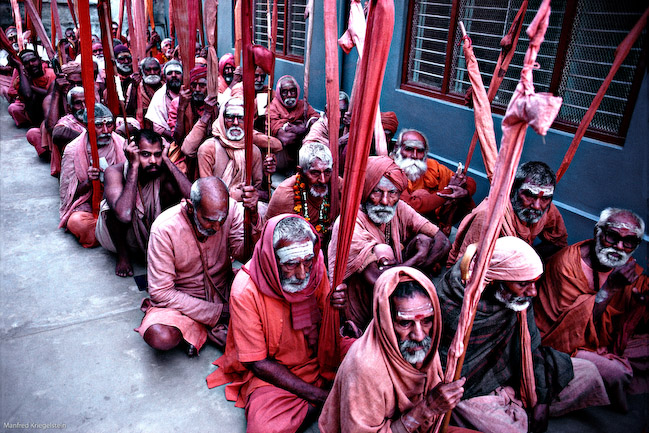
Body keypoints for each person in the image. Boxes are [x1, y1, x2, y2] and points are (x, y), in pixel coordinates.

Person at [438, 236, 609, 433]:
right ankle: (511, 408)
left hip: (512, 370)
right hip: (472, 388)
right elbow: (444, 373)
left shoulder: (516, 300)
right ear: (493, 280)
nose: (533, 292)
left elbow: (531, 348)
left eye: (534, 282)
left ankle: (516, 406)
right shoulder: (452, 306)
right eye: (523, 284)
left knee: (589, 373)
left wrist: (541, 399)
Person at [206, 215, 346, 432]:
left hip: (320, 354)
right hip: (275, 373)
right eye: (290, 264)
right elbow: (258, 363)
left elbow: (328, 328)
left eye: (307, 261)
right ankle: (321, 401)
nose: (302, 274)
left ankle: (314, 404)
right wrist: (320, 396)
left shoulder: (315, 266)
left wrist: (336, 307)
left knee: (372, 361)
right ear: (272, 259)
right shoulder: (245, 290)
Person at [319, 266, 474, 433]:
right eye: (405, 323)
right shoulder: (364, 367)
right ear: (385, 321)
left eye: (427, 320)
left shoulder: (423, 344)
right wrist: (427, 408)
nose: (419, 335)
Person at [535, 208, 648, 412]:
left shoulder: (626, 266)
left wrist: (640, 304)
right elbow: (563, 331)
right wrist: (609, 289)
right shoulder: (567, 265)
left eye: (629, 242)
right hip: (566, 342)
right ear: (598, 232)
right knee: (618, 373)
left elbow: (638, 296)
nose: (619, 247)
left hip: (605, 339)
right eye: (612, 237)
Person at [135, 176, 261, 355]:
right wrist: (217, 313)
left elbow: (246, 256)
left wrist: (253, 217)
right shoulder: (164, 228)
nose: (216, 228)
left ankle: (201, 331)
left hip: (224, 290)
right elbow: (161, 292)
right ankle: (210, 329)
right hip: (183, 302)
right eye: (209, 220)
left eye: (222, 220)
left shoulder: (231, 209)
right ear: (190, 207)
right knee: (160, 336)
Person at [328, 155, 451, 331]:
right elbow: (377, 279)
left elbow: (443, 242)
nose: (385, 201)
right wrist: (417, 260)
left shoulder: (398, 207)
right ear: (365, 191)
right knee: (383, 250)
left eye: (392, 193)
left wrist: (408, 265)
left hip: (393, 287)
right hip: (362, 303)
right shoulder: (350, 222)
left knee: (423, 240)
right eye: (377, 192)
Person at [96, 129, 192, 277]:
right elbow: (124, 215)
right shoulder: (114, 172)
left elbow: (194, 198)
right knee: (110, 209)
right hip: (123, 236)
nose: (153, 161)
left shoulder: (161, 169)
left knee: (173, 190)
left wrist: (167, 160)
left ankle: (162, 246)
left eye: (157, 154)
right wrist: (134, 166)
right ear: (133, 153)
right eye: (145, 154)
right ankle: (123, 256)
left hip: (152, 230)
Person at [448, 161, 568, 266]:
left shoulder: (547, 209)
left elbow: (558, 242)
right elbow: (465, 263)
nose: (536, 205)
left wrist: (524, 259)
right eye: (529, 195)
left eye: (545, 198)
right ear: (513, 190)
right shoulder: (488, 215)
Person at [58, 104, 126, 247]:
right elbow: (69, 194)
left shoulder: (121, 144)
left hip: (116, 200)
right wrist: (88, 181)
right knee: (77, 222)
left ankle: (110, 233)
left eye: (109, 125)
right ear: (87, 126)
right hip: (87, 204)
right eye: (99, 125)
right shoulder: (72, 150)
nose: (106, 130)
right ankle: (111, 234)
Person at [393, 129, 476, 235]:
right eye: (409, 149)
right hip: (403, 228)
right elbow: (412, 205)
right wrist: (449, 191)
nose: (414, 155)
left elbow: (468, 181)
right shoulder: (391, 170)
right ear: (397, 148)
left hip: (436, 223)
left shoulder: (432, 166)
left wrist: (463, 191)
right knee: (420, 194)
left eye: (420, 151)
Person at [197, 98, 274, 205]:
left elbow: (259, 190)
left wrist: (267, 173)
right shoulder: (208, 148)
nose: (235, 123)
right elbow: (207, 191)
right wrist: (234, 195)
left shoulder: (254, 151)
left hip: (246, 206)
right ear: (222, 119)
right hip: (216, 206)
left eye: (241, 118)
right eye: (230, 117)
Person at [265, 142, 340, 244]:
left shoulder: (335, 184)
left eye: (327, 172)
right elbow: (269, 238)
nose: (323, 180)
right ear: (300, 171)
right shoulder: (285, 195)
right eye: (315, 173)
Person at [267, 75, 320, 170]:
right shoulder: (272, 108)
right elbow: (287, 139)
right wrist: (304, 128)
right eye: (285, 92)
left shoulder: (303, 105)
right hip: (281, 158)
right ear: (279, 93)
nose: (289, 95)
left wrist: (303, 128)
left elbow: (317, 121)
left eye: (292, 91)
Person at [7, 49, 55, 128]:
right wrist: (19, 67)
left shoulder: (51, 73)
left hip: (50, 109)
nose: (31, 64)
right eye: (26, 63)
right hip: (32, 113)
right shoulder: (22, 79)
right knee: (14, 108)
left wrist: (31, 86)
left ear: (40, 60)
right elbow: (27, 95)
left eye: (33, 60)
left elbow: (51, 95)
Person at [145, 60, 183, 142]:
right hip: (168, 140)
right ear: (165, 78)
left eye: (177, 72)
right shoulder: (159, 96)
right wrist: (176, 137)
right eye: (169, 73)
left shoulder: (190, 92)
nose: (174, 75)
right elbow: (158, 128)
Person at [125, 57, 162, 126]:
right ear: (142, 71)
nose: (152, 73)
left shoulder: (165, 86)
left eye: (155, 69)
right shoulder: (135, 86)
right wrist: (134, 88)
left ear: (160, 70)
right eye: (148, 70)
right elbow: (129, 112)